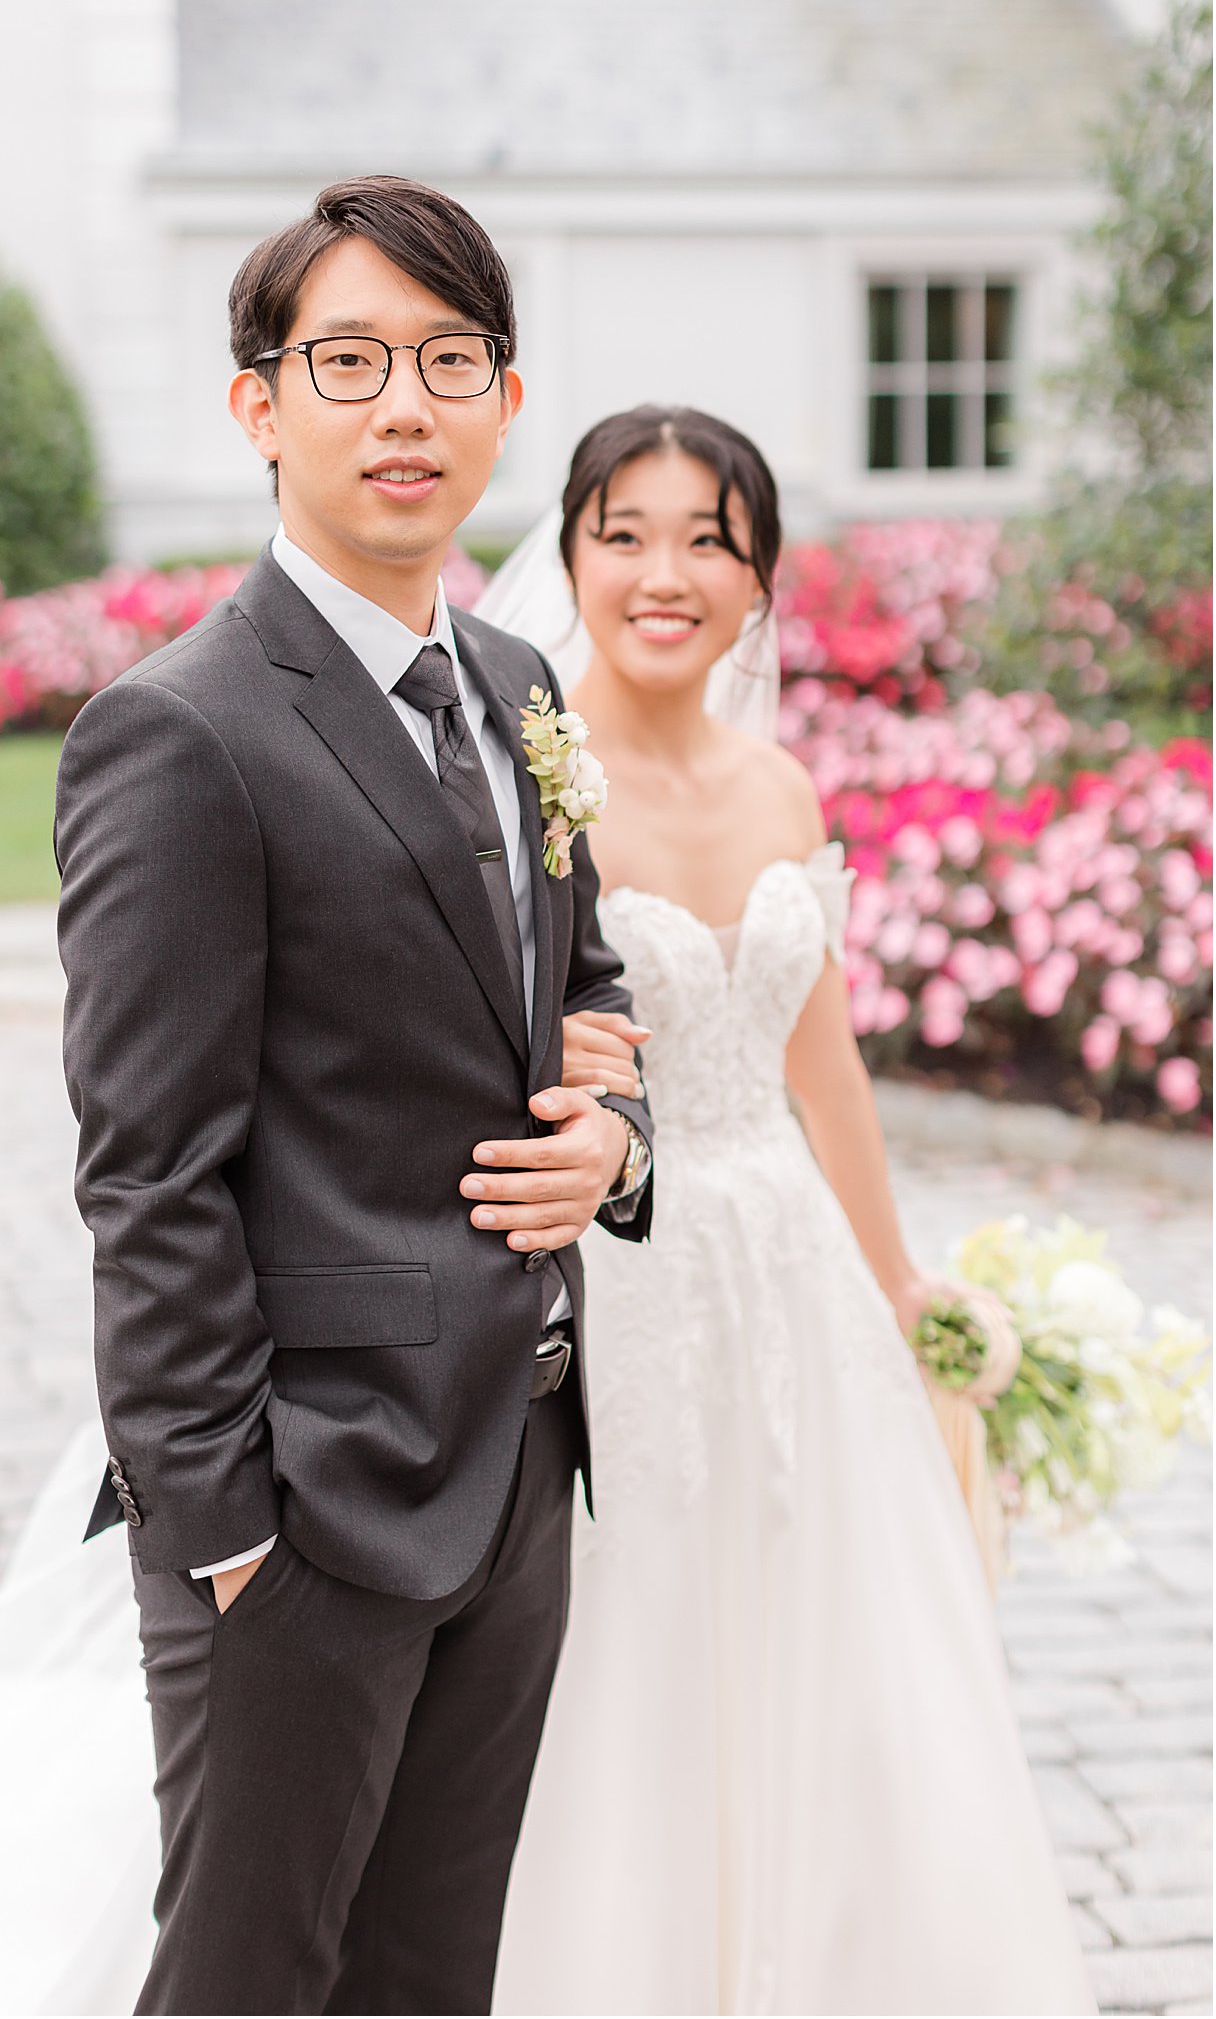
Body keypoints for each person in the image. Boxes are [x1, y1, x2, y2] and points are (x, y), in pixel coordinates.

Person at [54, 177, 654, 2016]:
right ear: (261, 403)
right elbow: (147, 1176)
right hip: (300, 1511)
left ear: (505, 395)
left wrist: (616, 1143)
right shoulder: (184, 730)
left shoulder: (518, 680)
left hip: (517, 1466)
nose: (406, 403)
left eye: (449, 359)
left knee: (428, 1983)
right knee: (250, 1981)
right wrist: (226, 1531)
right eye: (351, 359)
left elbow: (589, 987)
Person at [481, 405, 1096, 2016]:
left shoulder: (778, 783)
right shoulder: (535, 784)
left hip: (789, 1271)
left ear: (760, 580)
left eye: (708, 539)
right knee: (638, 1637)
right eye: (624, 533)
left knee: (849, 1655)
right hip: (616, 1269)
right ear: (569, 554)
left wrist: (901, 1283)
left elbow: (821, 1061)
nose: (662, 573)